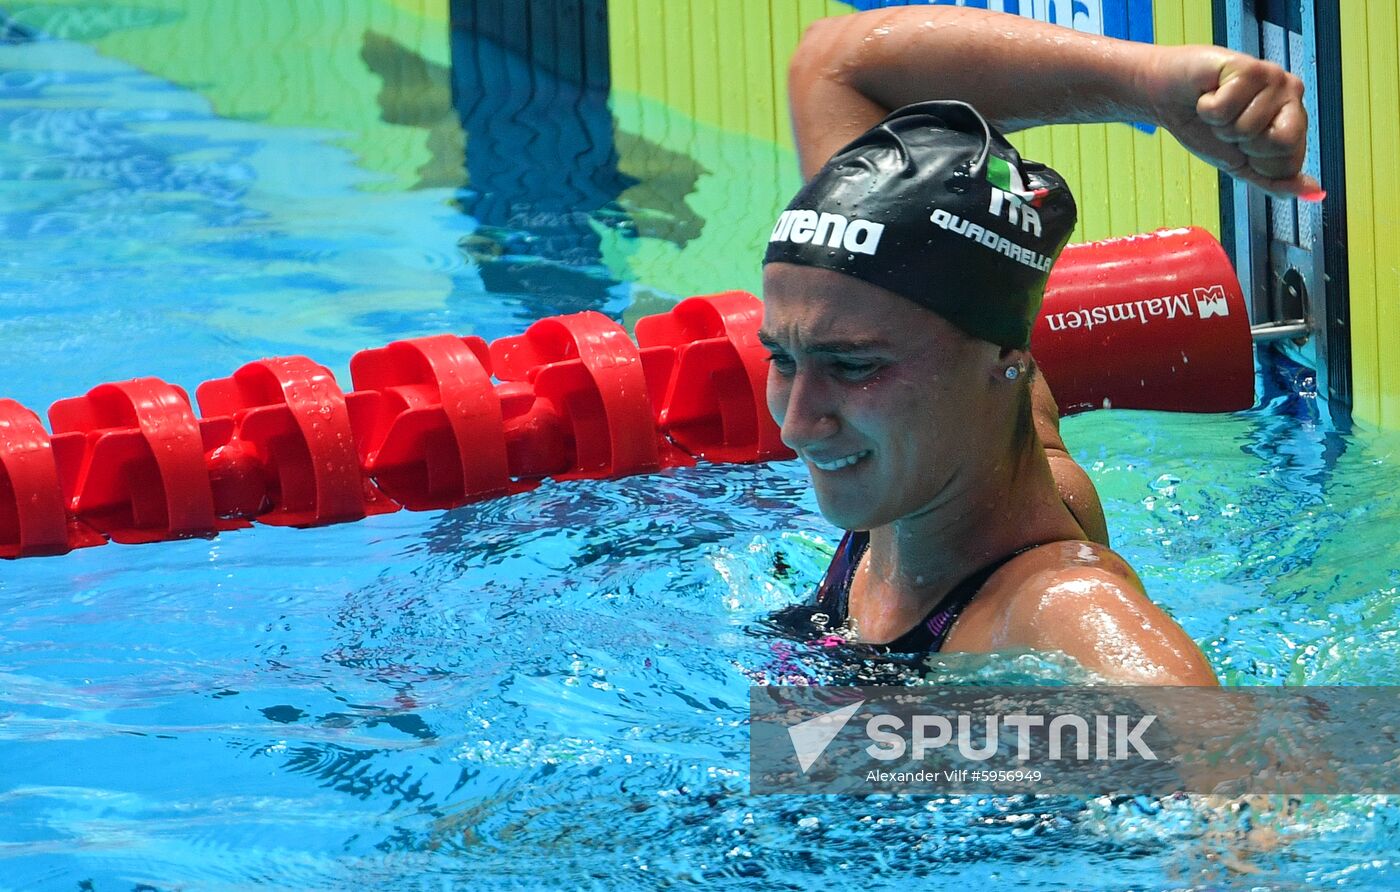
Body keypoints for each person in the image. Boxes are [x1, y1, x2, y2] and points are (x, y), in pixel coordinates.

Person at [763, 6, 1317, 685]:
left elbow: (1231, 762)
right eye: (783, 359)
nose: (797, 425)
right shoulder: (943, 453)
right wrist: (1147, 81)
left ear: (1009, 367)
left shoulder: (1056, 609)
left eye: (853, 367)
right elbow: (836, 64)